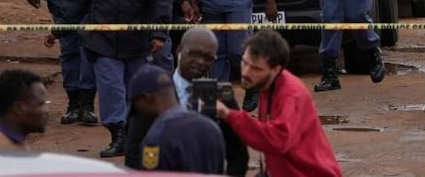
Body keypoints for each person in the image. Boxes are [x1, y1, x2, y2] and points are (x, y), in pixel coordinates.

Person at [59, 0, 173, 157]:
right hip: (104, 43)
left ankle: (135, 133)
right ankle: (117, 134)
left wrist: (158, 34)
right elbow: (77, 0)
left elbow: (161, 2)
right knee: (111, 89)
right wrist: (58, 30)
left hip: (138, 43)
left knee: (138, 90)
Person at [217, 30, 343, 177]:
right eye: (245, 63)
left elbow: (278, 139)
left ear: (275, 69)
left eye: (256, 68)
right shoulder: (267, 85)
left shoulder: (291, 94)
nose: (246, 72)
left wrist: (230, 115)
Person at [125, 27, 248, 175]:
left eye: (208, 58)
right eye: (194, 54)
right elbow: (133, 152)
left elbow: (238, 154)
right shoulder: (155, 92)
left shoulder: (220, 94)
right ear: (179, 50)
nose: (201, 62)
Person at [128, 65, 226, 173]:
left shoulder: (157, 137)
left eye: (137, 106)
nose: (140, 112)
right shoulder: (211, 128)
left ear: (148, 98)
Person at [0, 69, 48, 151]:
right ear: (19, 107)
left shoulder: (5, 140)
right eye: (41, 104)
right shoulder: (3, 150)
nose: (47, 110)